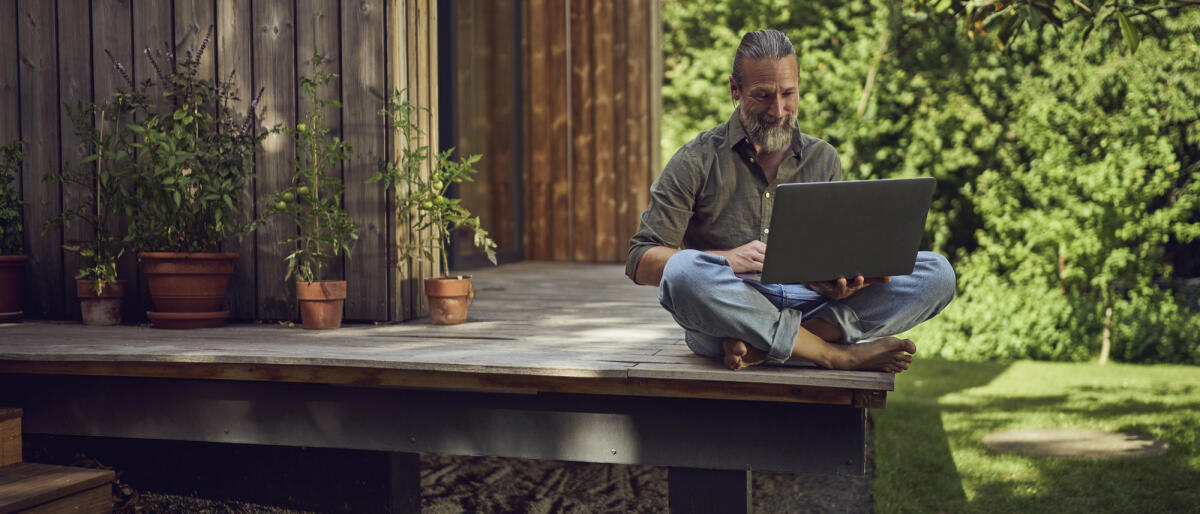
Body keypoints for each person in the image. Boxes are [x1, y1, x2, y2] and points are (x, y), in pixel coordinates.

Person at [625, 29, 956, 373]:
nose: (778, 109)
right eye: (763, 95)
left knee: (937, 274)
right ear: (734, 90)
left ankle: (769, 347)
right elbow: (640, 259)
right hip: (729, 311)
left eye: (788, 93)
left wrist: (839, 283)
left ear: (799, 85)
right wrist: (727, 260)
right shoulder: (696, 159)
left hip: (810, 305)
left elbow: (833, 255)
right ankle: (833, 354)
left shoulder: (823, 158)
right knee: (683, 273)